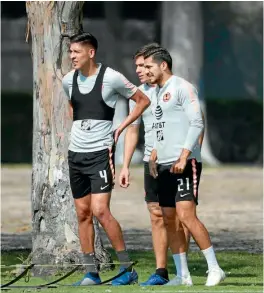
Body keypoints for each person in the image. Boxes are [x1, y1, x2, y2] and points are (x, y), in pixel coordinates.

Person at [62, 32, 150, 286]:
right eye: (70, 52)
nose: (72, 57)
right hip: (75, 155)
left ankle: (126, 269)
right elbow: (73, 108)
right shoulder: (69, 80)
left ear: (91, 52)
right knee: (82, 214)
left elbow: (142, 100)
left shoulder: (111, 78)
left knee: (100, 211)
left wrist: (122, 125)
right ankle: (91, 272)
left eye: (76, 52)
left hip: (100, 154)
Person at [144, 47, 225, 286]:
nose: (145, 71)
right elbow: (162, 127)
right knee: (169, 218)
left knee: (187, 216)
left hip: (185, 164)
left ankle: (214, 268)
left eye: (149, 66)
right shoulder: (156, 92)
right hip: (163, 164)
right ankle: (183, 276)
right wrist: (155, 153)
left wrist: (184, 156)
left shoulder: (183, 87)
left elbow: (196, 122)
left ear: (163, 66)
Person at [119, 43, 169, 286]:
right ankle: (161, 271)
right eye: (137, 66)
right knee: (156, 213)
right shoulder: (138, 94)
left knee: (180, 215)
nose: (139, 70)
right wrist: (126, 165)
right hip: (150, 162)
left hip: (174, 161)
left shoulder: (174, 89)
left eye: (143, 65)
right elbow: (132, 131)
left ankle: (183, 268)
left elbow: (194, 124)